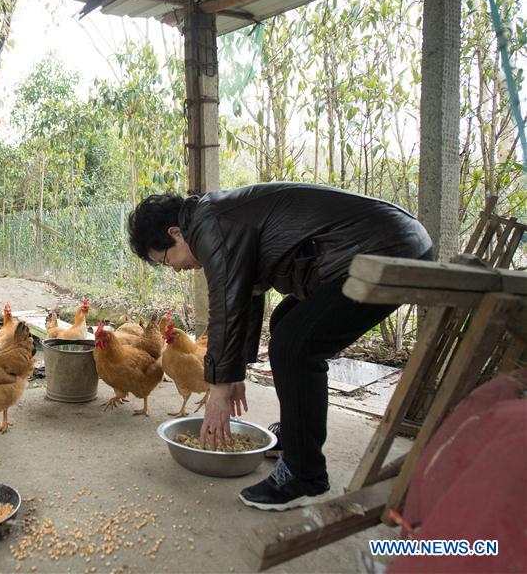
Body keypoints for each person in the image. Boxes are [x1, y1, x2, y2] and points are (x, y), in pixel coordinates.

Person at [128, 182, 433, 511]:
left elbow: (228, 301)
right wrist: (235, 372)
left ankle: (305, 475)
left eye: (165, 258)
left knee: (294, 345)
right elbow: (247, 293)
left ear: (175, 231)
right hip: (385, 244)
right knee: (285, 323)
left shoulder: (208, 223)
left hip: (387, 249)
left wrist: (217, 388)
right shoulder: (212, 217)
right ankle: (294, 436)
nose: (174, 268)